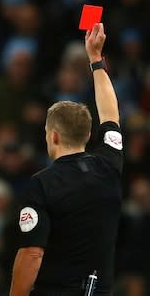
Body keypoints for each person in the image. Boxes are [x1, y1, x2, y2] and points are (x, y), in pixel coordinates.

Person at [10, 23, 123, 296]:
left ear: (55, 137)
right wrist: (96, 60)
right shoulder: (109, 166)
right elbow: (110, 113)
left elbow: (32, 254)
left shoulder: (42, 185)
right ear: (87, 134)